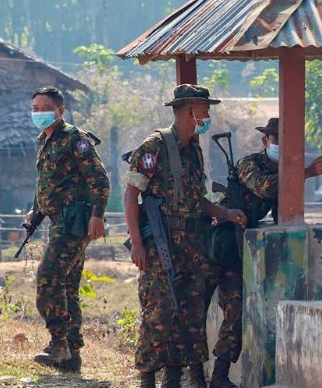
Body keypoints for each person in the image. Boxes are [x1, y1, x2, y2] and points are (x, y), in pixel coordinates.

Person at [123, 84, 246, 388]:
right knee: (159, 311)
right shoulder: (155, 146)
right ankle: (148, 378)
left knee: (190, 315)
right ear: (190, 110)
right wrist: (137, 243)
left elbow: (197, 201)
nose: (208, 116)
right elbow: (130, 195)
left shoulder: (194, 151)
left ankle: (179, 379)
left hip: (192, 246)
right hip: (161, 245)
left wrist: (227, 214)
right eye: (205, 109)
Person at [204, 117, 322, 386]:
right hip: (214, 242)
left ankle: (219, 375)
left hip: (236, 246)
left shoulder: (287, 171)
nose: (280, 144)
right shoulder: (249, 164)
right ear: (266, 141)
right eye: (276, 138)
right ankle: (192, 372)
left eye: (285, 140)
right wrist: (308, 172)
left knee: (235, 310)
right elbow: (265, 186)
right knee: (194, 309)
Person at [26, 86, 110, 371]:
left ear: (60, 110)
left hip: (74, 223)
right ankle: (72, 355)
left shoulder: (77, 140)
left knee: (48, 277)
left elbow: (99, 180)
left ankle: (57, 343)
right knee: (67, 287)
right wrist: (36, 211)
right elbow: (50, 184)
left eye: (45, 108)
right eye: (35, 109)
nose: (39, 113)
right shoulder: (46, 140)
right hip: (59, 221)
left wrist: (97, 216)